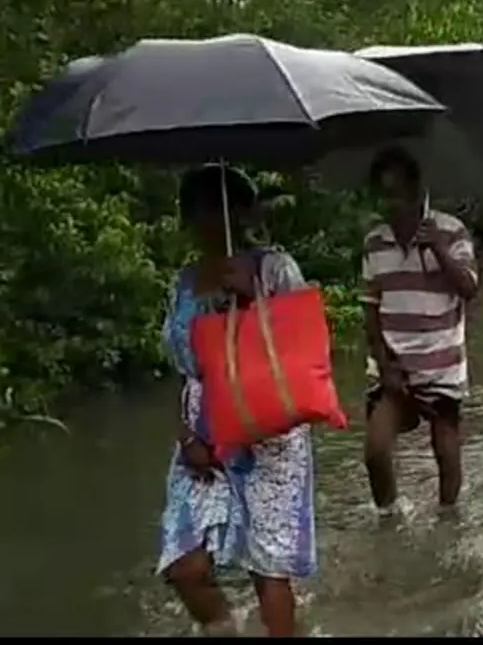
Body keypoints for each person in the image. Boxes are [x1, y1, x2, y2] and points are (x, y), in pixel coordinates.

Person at [158, 164, 315, 637]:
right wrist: (186, 435)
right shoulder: (182, 283)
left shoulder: (276, 268)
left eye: (217, 207)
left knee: (266, 567)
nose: (207, 219)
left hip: (268, 433)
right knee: (184, 566)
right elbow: (182, 372)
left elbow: (305, 348)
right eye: (198, 208)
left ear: (243, 213)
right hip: (202, 438)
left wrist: (253, 299)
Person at [361, 146, 479, 514]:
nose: (390, 204)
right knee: (375, 449)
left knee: (446, 453)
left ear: (416, 193)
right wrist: (385, 365)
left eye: (396, 194)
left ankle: (448, 520)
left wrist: (440, 251)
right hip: (394, 365)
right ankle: (390, 517)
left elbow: (469, 289)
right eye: (384, 195)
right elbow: (369, 310)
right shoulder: (374, 243)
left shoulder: (451, 231)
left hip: (441, 364)